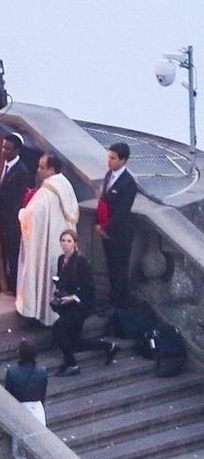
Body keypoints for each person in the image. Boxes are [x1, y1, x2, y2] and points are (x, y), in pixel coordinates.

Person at [17, 154, 79, 325]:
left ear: (51, 169)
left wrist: (22, 214)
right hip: (61, 244)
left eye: (41, 167)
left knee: (43, 273)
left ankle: (39, 312)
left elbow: (32, 216)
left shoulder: (47, 191)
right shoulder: (66, 185)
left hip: (46, 243)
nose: (38, 170)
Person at [2, 340, 51, 459]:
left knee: (19, 450)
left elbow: (8, 394)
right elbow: (43, 394)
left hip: (19, 408)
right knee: (39, 448)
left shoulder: (12, 372)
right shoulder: (42, 371)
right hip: (37, 409)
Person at [97, 142, 138, 312]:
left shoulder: (128, 183)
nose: (109, 161)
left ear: (123, 160)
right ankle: (112, 302)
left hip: (120, 235)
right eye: (109, 157)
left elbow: (122, 212)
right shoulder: (108, 176)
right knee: (111, 268)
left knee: (119, 271)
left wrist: (107, 229)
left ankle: (120, 305)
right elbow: (103, 202)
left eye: (113, 158)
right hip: (106, 231)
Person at [50, 230, 97, 376]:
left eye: (69, 241)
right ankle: (109, 346)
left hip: (80, 305)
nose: (65, 244)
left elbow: (89, 287)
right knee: (75, 341)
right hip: (68, 304)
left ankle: (72, 364)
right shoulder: (60, 260)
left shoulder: (81, 262)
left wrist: (73, 297)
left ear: (75, 244)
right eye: (63, 240)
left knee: (58, 328)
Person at [0, 133, 32, 292]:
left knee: (12, 256)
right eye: (3, 147)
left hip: (11, 222)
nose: (4, 151)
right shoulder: (3, 165)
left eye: (8, 149)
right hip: (0, 219)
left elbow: (12, 197)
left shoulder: (21, 171)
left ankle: (14, 287)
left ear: (17, 150)